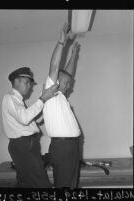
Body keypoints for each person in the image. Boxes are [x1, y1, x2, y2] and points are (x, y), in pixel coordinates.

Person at [2, 67, 58, 188]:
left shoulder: (17, 100)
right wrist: (42, 99)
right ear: (16, 82)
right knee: (41, 184)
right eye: (26, 82)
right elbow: (24, 118)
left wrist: (45, 107)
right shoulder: (10, 97)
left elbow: (28, 121)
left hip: (25, 146)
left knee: (25, 183)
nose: (29, 86)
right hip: (24, 146)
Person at [43, 23, 81, 189]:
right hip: (62, 147)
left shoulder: (60, 97)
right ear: (57, 82)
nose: (69, 86)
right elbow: (54, 68)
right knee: (64, 188)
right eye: (67, 84)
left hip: (71, 146)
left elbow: (67, 74)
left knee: (71, 186)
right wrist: (61, 42)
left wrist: (73, 55)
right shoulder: (51, 93)